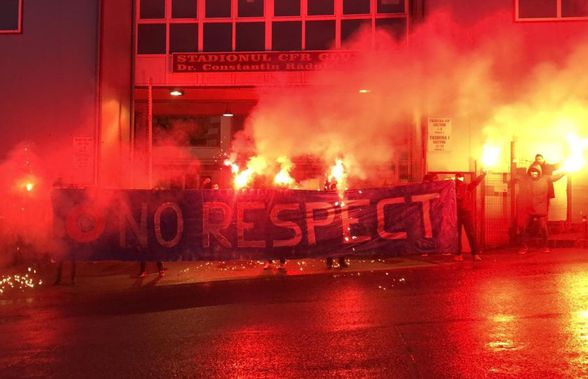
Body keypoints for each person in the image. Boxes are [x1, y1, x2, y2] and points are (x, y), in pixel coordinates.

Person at [517, 164, 565, 254]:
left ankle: (545, 246)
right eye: (532, 171)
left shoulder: (546, 178)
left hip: (540, 209)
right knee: (523, 227)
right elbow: (516, 178)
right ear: (529, 172)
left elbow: (556, 176)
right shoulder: (526, 180)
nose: (533, 173)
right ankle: (524, 247)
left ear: (539, 172)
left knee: (543, 228)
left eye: (535, 171)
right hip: (528, 209)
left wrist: (565, 171)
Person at [454, 170, 487, 261]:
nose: (460, 179)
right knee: (459, 234)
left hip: (464, 213)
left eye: (461, 177)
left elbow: (475, 182)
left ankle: (473, 253)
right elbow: (475, 182)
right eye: (459, 177)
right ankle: (460, 254)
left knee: (470, 233)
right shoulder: (452, 188)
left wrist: (482, 175)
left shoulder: (466, 187)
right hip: (458, 213)